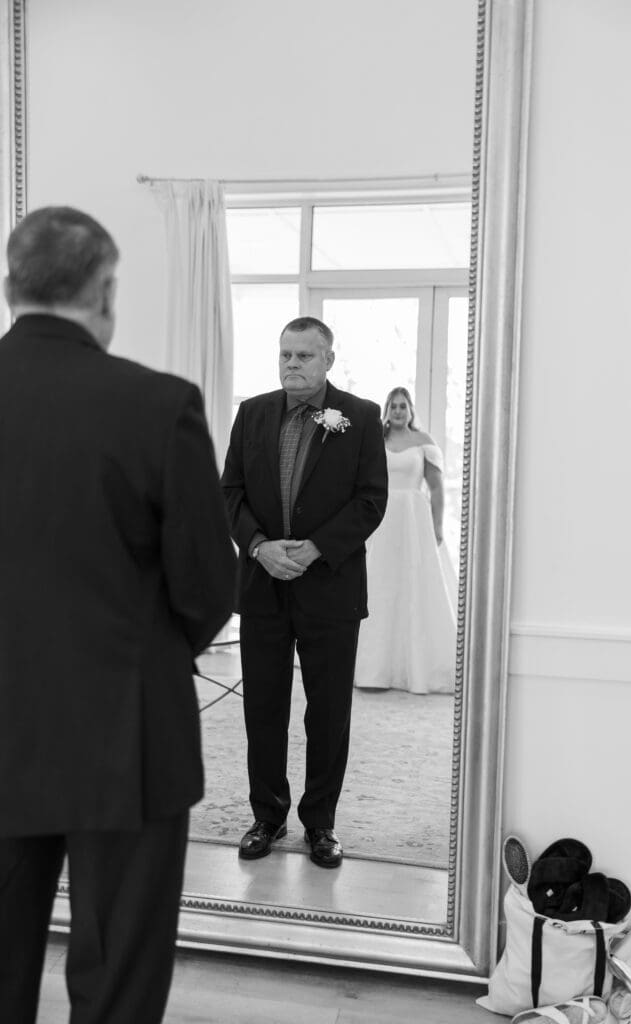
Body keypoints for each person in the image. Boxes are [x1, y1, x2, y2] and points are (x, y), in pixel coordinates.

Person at [0, 206, 237, 1023]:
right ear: (104, 292)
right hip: (126, 738)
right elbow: (208, 585)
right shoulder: (157, 404)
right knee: (118, 979)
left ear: (8, 286)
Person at [221, 316, 388, 869]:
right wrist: (259, 546)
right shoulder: (252, 412)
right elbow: (231, 493)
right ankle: (266, 815)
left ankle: (321, 824)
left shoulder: (358, 418)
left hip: (331, 590)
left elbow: (370, 500)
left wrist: (316, 548)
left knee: (328, 711)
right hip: (263, 586)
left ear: (328, 361)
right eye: (285, 354)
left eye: (304, 356)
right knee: (264, 708)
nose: (292, 364)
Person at [354, 386, 457, 694]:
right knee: (379, 586)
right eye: (393, 406)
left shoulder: (424, 443)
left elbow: (436, 488)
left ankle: (416, 666)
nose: (398, 411)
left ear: (411, 410)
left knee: (413, 584)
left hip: (414, 519)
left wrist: (437, 525)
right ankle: (372, 668)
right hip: (382, 517)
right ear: (387, 410)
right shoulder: (376, 441)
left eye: (403, 406)